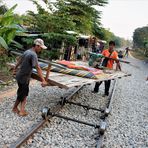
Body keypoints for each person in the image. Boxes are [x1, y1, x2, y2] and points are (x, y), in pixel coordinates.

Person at [12, 38, 48, 116]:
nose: (41, 50)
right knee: (23, 94)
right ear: (37, 46)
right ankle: (18, 110)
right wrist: (43, 80)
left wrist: (15, 68)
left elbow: (19, 61)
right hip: (24, 78)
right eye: (41, 48)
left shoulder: (27, 51)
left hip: (20, 76)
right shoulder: (33, 54)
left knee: (23, 93)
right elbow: (38, 67)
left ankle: (18, 109)